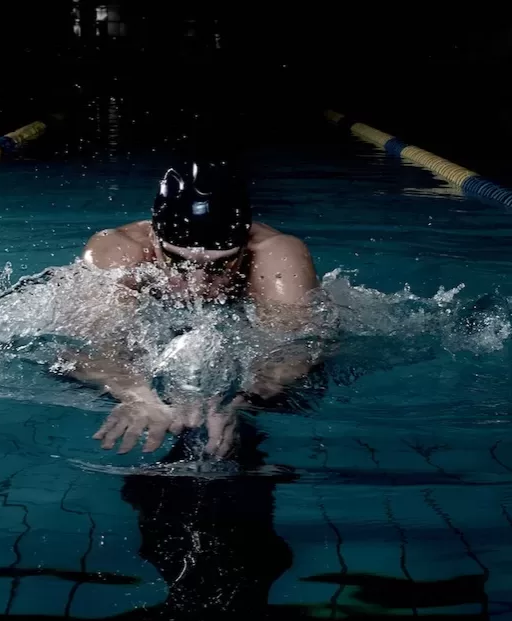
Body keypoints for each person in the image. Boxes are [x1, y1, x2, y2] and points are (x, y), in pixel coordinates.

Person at [68, 159, 322, 459]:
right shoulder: (118, 251)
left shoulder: (277, 256)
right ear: (154, 238)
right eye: (178, 262)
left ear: (245, 246)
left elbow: (297, 350)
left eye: (218, 266)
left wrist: (242, 402)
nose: (197, 283)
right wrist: (137, 395)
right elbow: (87, 346)